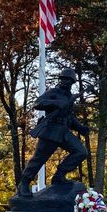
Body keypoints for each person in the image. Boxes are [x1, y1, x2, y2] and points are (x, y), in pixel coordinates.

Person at [16, 68, 89, 197]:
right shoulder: (54, 92)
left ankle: (59, 175)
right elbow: (37, 103)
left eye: (69, 80)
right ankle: (24, 183)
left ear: (72, 82)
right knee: (39, 159)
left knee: (81, 152)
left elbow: (70, 117)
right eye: (63, 79)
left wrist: (80, 128)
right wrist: (55, 103)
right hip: (51, 130)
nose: (65, 82)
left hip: (64, 131)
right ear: (60, 80)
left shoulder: (70, 97)